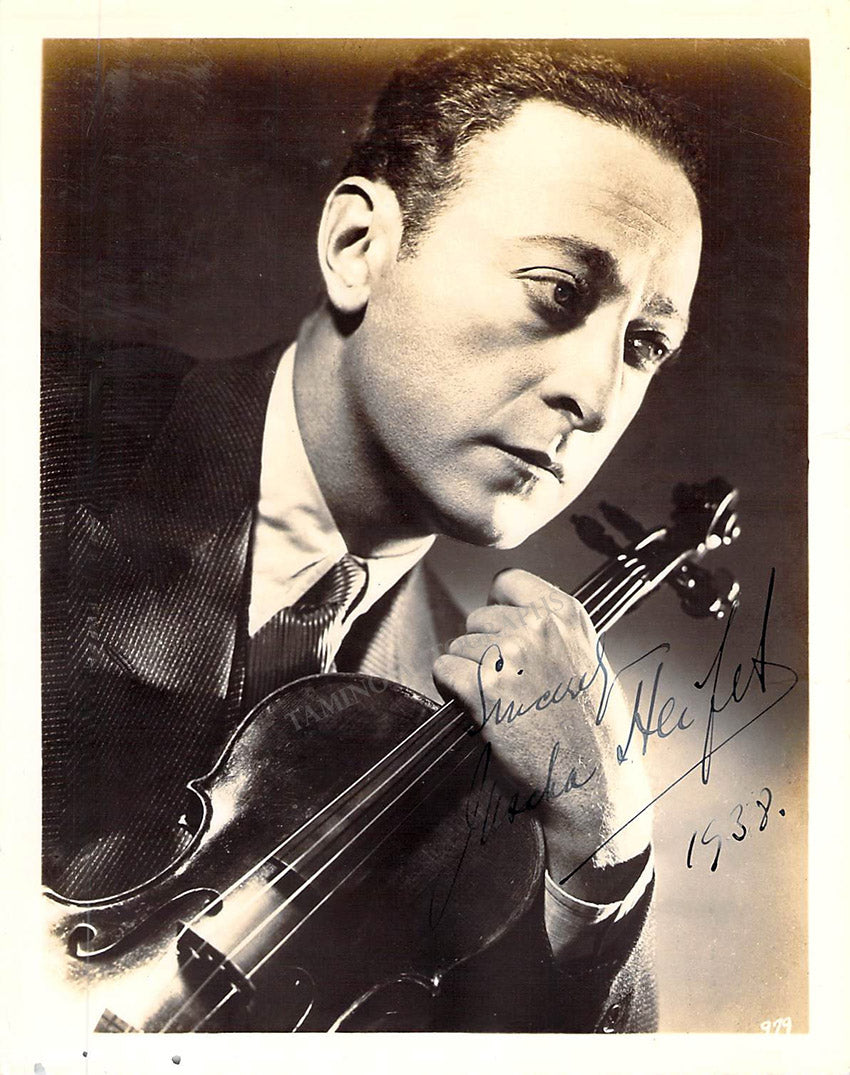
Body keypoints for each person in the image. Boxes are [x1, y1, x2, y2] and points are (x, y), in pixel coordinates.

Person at [41, 42, 703, 1032]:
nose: (598, 396)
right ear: (359, 248)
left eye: (644, 344)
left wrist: (604, 847)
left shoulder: (480, 738)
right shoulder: (41, 429)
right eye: (558, 291)